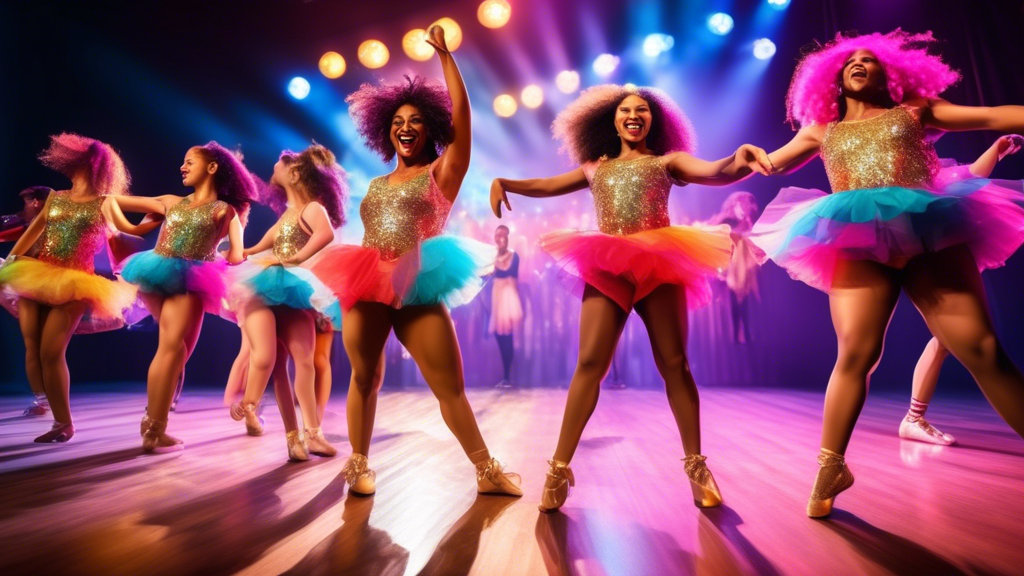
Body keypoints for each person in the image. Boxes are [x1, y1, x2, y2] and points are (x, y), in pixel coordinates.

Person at [751, 30, 1024, 517]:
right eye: (849, 60)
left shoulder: (916, 109)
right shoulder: (820, 130)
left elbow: (989, 115)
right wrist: (741, 160)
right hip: (854, 238)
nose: (858, 63)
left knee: (980, 347)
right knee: (856, 351)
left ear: (890, 74)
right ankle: (830, 466)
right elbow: (768, 165)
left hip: (929, 230)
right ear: (832, 79)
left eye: (869, 60)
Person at [490, 83, 772, 512]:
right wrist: (505, 182)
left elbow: (716, 171)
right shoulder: (595, 167)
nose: (634, 115)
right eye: (626, 110)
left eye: (642, 110)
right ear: (614, 120)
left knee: (674, 364)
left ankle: (696, 467)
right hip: (608, 264)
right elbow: (548, 184)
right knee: (589, 364)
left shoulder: (667, 162)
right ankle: (558, 468)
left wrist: (740, 160)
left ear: (653, 121)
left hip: (660, 262)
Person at [312, 26, 522, 498]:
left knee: (449, 387)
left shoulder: (441, 172)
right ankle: (359, 466)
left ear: (431, 127)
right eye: (397, 122)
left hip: (418, 282)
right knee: (364, 379)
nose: (404, 128)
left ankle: (486, 470)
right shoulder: (378, 183)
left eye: (415, 121)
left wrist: (447, 57)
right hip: (365, 280)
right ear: (386, 129)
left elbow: (465, 121)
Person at [0, 134, 141, 442]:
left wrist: (162, 214)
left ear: (90, 163)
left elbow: (132, 228)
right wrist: (11, 262)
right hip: (37, 273)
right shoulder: (56, 197)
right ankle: (59, 421)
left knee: (51, 352)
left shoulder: (105, 203)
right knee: (36, 347)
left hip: (77, 282)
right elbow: (30, 234)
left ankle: (63, 423)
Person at [117, 142, 254, 453]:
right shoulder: (224, 210)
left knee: (171, 350)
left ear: (212, 167)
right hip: (191, 279)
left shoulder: (171, 203)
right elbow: (235, 256)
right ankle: (155, 429)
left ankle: (152, 423)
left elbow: (113, 200)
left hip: (153, 271)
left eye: (189, 161)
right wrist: (220, 252)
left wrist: (116, 220)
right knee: (173, 352)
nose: (182, 166)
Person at [489, 224, 523, 388]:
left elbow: (514, 280)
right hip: (495, 299)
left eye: (504, 235)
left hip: (508, 299)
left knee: (507, 336)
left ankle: (508, 377)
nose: (501, 238)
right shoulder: (491, 256)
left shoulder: (514, 256)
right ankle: (506, 376)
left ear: (508, 237)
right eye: (498, 235)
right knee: (499, 337)